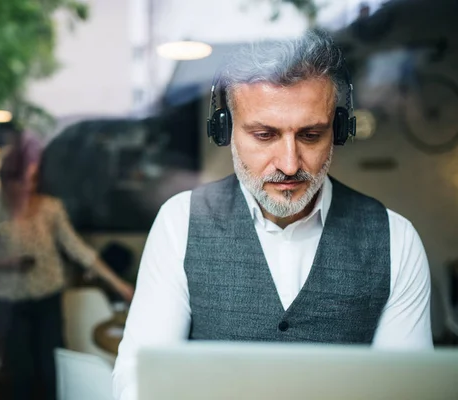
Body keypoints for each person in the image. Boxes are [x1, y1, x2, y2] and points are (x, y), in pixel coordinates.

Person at [112, 30, 432, 400]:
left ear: (339, 131)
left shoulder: (396, 239)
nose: (290, 163)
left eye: (311, 135)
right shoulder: (179, 223)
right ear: (225, 130)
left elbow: (406, 392)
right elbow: (139, 383)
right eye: (264, 135)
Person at [0, 123, 134, 400]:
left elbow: (79, 250)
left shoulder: (50, 208)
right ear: (8, 181)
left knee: (51, 367)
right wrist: (8, 263)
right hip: (9, 301)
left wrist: (119, 285)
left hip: (47, 295)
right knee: (19, 371)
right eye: (24, 180)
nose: (29, 187)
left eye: (34, 180)